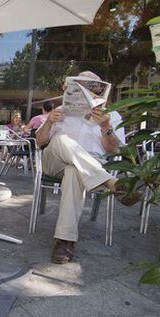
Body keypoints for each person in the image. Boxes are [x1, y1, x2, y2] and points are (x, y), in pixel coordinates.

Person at [35, 70, 125, 265]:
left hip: (89, 165)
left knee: (74, 171)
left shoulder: (113, 116)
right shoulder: (59, 111)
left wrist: (106, 127)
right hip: (55, 160)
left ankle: (64, 240)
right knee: (61, 139)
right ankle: (110, 181)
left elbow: (115, 150)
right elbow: (40, 142)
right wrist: (49, 122)